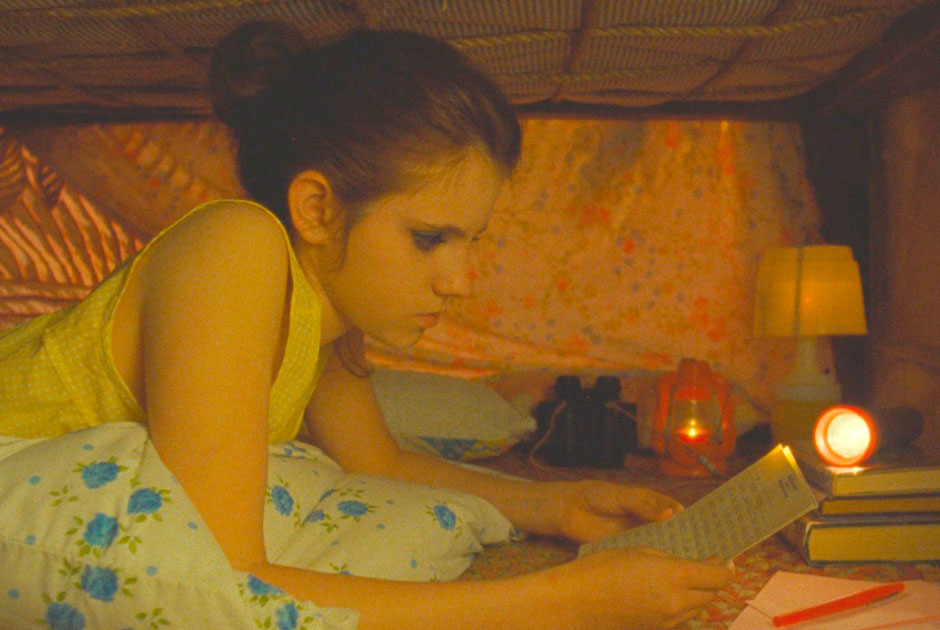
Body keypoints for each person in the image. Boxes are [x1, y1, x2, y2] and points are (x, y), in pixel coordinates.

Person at [0, 21, 733, 629]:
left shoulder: (325, 314)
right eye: (429, 238)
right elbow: (226, 582)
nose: (461, 281)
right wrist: (560, 604)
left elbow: (376, 461)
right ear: (318, 209)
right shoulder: (235, 246)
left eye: (471, 241)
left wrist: (557, 504)